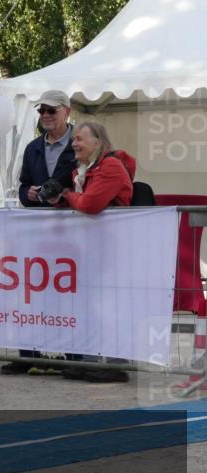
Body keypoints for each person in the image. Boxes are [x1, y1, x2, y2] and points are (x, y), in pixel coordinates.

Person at [48, 121, 136, 383]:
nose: (74, 144)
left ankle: (114, 363)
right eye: (73, 139)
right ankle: (89, 359)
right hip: (92, 247)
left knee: (109, 304)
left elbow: (90, 203)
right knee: (89, 303)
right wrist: (64, 197)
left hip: (113, 246)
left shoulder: (110, 166)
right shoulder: (85, 169)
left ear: (98, 142)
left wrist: (67, 195)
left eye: (79, 139)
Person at [2, 90, 78, 374]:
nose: (45, 115)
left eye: (51, 110)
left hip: (72, 231)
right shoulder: (33, 147)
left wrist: (65, 193)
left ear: (66, 112)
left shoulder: (80, 143)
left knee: (71, 293)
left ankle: (74, 357)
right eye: (41, 110)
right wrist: (30, 193)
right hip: (37, 232)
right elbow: (22, 186)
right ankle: (29, 354)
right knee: (31, 292)